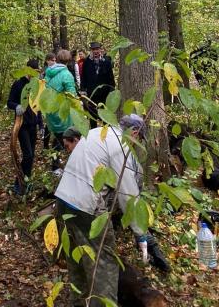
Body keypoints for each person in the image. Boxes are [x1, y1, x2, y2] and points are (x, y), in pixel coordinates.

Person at [54, 114, 168, 306]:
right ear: (134, 132)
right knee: (104, 266)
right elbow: (128, 194)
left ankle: (79, 303)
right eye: (139, 139)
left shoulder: (96, 133)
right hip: (86, 208)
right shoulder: (120, 147)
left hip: (63, 201)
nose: (136, 144)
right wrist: (141, 234)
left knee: (78, 263)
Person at [7, 58, 43, 194]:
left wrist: (41, 125)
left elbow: (38, 107)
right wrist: (16, 106)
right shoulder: (18, 84)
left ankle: (26, 181)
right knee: (27, 154)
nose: (34, 74)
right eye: (32, 71)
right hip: (22, 125)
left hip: (33, 124)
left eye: (37, 72)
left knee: (31, 156)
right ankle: (18, 182)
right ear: (27, 70)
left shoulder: (37, 85)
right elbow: (9, 102)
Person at [44, 48, 77, 171]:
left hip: (50, 111)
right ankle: (60, 167)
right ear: (68, 60)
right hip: (63, 113)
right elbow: (72, 95)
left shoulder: (48, 73)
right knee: (65, 139)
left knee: (57, 138)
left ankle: (55, 164)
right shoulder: (66, 75)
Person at [81, 41, 115, 126]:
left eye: (97, 49)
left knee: (105, 117)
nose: (95, 51)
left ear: (100, 50)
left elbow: (111, 78)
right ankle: (93, 131)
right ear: (91, 50)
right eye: (93, 49)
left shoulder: (106, 61)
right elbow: (83, 77)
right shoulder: (86, 62)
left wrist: (112, 91)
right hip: (91, 95)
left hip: (104, 95)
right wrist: (83, 91)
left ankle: (106, 132)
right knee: (92, 117)